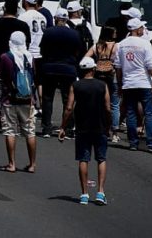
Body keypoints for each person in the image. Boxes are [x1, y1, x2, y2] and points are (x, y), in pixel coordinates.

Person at [59, 57, 112, 205]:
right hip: (100, 125)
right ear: (93, 69)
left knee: (83, 159)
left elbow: (69, 108)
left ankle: (84, 194)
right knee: (101, 158)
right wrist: (110, 125)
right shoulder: (102, 85)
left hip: (82, 126)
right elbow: (108, 108)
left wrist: (63, 126)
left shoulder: (76, 85)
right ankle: (100, 192)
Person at [116, 18, 152, 152]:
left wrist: (120, 85)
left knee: (130, 113)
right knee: (149, 113)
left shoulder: (121, 45)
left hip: (128, 83)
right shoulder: (145, 44)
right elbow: (151, 66)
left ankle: (133, 142)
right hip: (143, 83)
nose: (143, 29)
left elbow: (118, 68)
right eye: (142, 27)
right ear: (137, 29)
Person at [38, 9, 82, 137]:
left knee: (47, 98)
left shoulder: (48, 32)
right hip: (68, 68)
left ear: (55, 19)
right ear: (66, 19)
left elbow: (43, 50)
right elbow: (78, 51)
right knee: (67, 99)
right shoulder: (74, 34)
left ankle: (46, 127)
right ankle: (68, 128)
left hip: (50, 68)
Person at [0, 31, 37, 173]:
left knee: (10, 130)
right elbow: (33, 75)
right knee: (30, 131)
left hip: (10, 98)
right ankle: (32, 164)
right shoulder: (30, 56)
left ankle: (11, 163)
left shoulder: (6, 57)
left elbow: (2, 75)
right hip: (27, 98)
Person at [85, 26, 121, 142]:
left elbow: (85, 58)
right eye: (114, 32)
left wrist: (96, 64)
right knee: (114, 105)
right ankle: (114, 131)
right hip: (112, 76)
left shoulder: (97, 46)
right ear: (110, 33)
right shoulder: (116, 46)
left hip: (99, 77)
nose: (116, 33)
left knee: (99, 103)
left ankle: (101, 128)